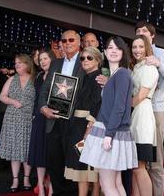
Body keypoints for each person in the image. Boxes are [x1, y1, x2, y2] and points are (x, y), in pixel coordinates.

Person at [80, 36, 138, 196]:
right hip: (113, 131)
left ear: (123, 52)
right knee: (116, 183)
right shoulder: (117, 75)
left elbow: (119, 108)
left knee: (108, 185)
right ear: (104, 52)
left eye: (117, 48)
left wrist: (109, 134)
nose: (113, 51)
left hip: (111, 132)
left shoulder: (121, 74)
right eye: (110, 47)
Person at [135, 21, 164, 196]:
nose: (141, 33)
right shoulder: (135, 54)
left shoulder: (161, 54)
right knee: (139, 161)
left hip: (155, 111)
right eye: (138, 31)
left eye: (144, 31)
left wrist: (159, 64)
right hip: (136, 113)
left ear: (152, 35)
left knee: (155, 161)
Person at [39, 29, 84, 196]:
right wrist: (43, 107)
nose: (67, 43)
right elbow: (45, 89)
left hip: (75, 122)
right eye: (64, 41)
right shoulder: (56, 63)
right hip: (53, 119)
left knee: (73, 162)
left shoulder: (85, 61)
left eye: (71, 40)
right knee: (54, 162)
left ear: (79, 43)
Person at [64, 46, 102, 196]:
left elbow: (97, 104)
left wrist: (89, 128)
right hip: (77, 126)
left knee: (88, 168)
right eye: (82, 58)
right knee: (85, 168)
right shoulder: (85, 77)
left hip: (87, 127)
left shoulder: (98, 78)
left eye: (89, 58)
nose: (85, 60)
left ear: (98, 60)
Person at [0, 54, 35, 193]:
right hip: (12, 118)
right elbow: (2, 96)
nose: (17, 65)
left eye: (20, 63)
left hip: (29, 119)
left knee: (27, 150)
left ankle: (26, 178)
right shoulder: (11, 79)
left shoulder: (35, 79)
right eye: (16, 63)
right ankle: (15, 179)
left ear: (28, 64)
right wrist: (13, 102)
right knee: (15, 151)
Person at [129, 35, 158, 196]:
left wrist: (123, 109)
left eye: (140, 46)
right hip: (136, 115)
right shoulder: (137, 67)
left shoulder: (148, 67)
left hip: (142, 115)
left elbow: (141, 95)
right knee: (135, 166)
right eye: (134, 47)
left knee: (139, 166)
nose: (137, 50)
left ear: (147, 47)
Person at [28, 49, 55, 196]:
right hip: (39, 119)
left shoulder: (58, 76)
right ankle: (40, 188)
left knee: (51, 155)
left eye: (46, 58)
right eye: (41, 59)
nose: (43, 61)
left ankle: (51, 189)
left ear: (52, 59)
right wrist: (33, 115)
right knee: (39, 155)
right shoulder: (38, 77)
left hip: (52, 119)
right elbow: (36, 99)